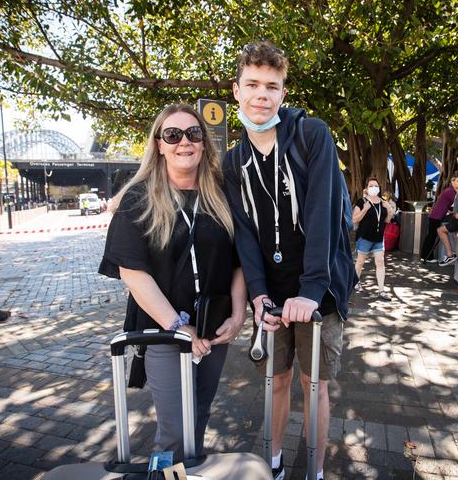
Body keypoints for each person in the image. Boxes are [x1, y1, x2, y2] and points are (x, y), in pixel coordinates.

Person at [223, 41, 356, 480]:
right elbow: (244, 234)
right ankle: (274, 461)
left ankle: (315, 470)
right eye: (253, 85)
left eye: (272, 86)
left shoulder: (311, 134)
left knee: (311, 384)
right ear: (237, 90)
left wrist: (312, 290)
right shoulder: (233, 160)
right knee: (275, 380)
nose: (262, 95)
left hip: (319, 288)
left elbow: (323, 215)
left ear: (283, 92)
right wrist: (259, 294)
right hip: (273, 293)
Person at [98, 104, 246, 458]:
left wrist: (239, 316)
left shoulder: (224, 195)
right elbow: (133, 273)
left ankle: (188, 469)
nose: (184, 141)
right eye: (173, 134)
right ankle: (166, 469)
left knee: (199, 415)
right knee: (175, 429)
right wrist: (178, 327)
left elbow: (241, 262)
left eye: (194, 134)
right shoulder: (138, 198)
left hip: (213, 329)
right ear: (159, 145)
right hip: (164, 332)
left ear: (205, 144)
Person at [352, 177, 394, 301]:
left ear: (379, 188)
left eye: (376, 186)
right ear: (366, 188)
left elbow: (386, 220)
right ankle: (355, 282)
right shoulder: (361, 202)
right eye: (371, 186)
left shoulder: (383, 203)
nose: (374, 188)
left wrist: (389, 210)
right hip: (364, 238)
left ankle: (381, 290)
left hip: (378, 239)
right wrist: (365, 209)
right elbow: (354, 219)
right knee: (360, 262)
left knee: (380, 262)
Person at [420, 174, 458, 263]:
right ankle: (426, 257)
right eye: (457, 181)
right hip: (436, 216)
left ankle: (425, 256)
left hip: (437, 215)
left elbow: (449, 205)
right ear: (452, 182)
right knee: (431, 236)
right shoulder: (451, 191)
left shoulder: (451, 191)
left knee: (431, 236)